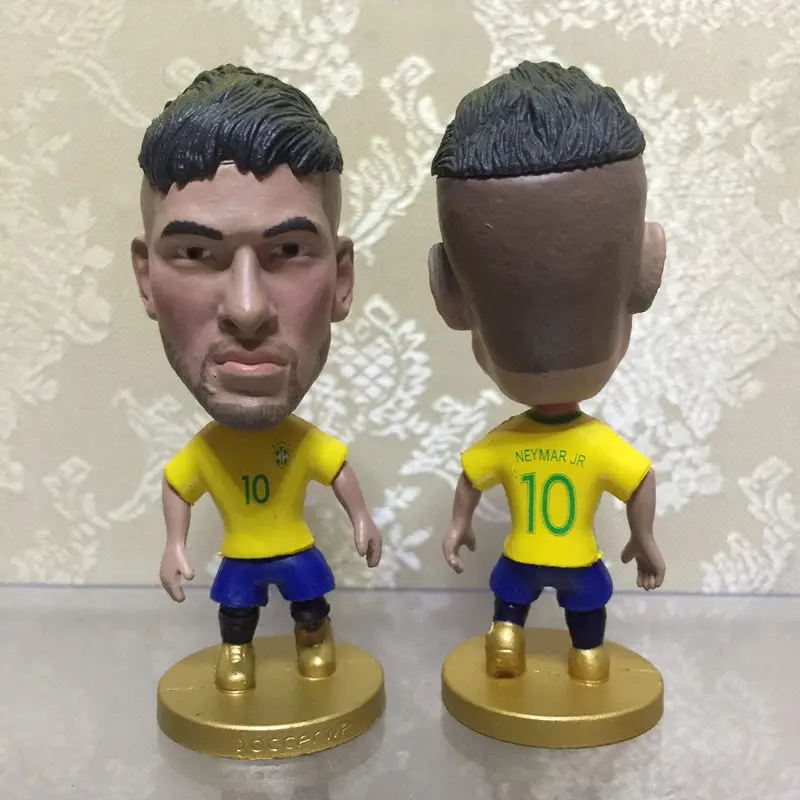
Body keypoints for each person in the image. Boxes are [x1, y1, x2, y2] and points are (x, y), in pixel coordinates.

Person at [131, 64, 381, 693]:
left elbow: (337, 473)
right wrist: (175, 544)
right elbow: (179, 488)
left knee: (307, 603)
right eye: (196, 253)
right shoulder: (206, 455)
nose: (247, 310)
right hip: (241, 562)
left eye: (288, 251)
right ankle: (240, 654)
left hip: (294, 554)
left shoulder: (303, 445)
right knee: (238, 612)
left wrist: (362, 520)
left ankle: (311, 638)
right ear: (145, 279)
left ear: (342, 279)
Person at [429, 61, 666, 683]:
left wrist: (459, 525)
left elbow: (469, 478)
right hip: (578, 561)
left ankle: (522, 637)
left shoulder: (509, 440)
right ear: (648, 272)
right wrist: (644, 538)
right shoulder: (596, 445)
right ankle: (581, 655)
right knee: (583, 611)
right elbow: (641, 481)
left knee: (516, 602)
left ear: (448, 294)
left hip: (523, 560)